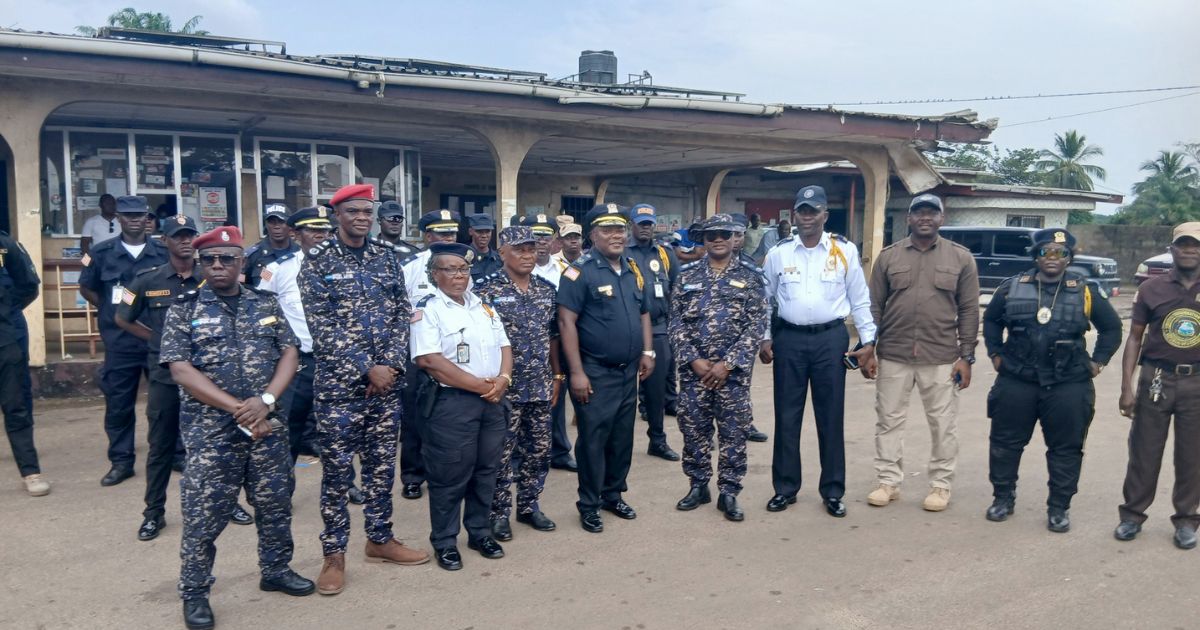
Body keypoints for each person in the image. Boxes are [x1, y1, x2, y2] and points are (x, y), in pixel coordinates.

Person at [160, 226, 314, 630]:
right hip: (212, 434)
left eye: (226, 258)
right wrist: (240, 409)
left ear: (241, 262)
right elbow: (180, 369)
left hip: (268, 427)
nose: (217, 265)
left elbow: (290, 352)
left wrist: (264, 402)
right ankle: (195, 592)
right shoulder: (184, 308)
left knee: (275, 504)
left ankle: (276, 570)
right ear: (199, 263)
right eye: (209, 259)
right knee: (203, 516)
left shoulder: (266, 303)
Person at [300, 184, 429, 596]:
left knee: (380, 468)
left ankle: (379, 539)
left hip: (385, 386)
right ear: (336, 215)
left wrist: (389, 368)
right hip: (340, 389)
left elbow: (399, 315)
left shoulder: (386, 258)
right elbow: (322, 328)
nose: (361, 217)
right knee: (337, 475)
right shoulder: (316, 263)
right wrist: (365, 368)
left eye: (366, 212)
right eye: (353, 211)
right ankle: (333, 555)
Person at [117, 216, 248, 540]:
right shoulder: (147, 279)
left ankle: (228, 502)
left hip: (211, 380)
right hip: (167, 378)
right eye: (178, 236)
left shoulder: (214, 275)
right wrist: (158, 341)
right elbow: (123, 317)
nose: (185, 241)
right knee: (161, 447)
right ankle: (153, 512)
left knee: (221, 445)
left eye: (190, 235)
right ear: (165, 240)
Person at [982, 227, 1121, 533]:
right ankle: (1003, 497)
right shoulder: (1011, 287)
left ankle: (1059, 507)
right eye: (1046, 252)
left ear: (1070, 258)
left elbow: (1111, 328)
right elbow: (991, 320)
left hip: (1068, 382)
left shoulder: (1084, 290)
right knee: (1005, 444)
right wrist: (995, 353)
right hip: (1018, 379)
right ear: (1036, 255)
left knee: (1066, 449)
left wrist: (1098, 362)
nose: (1053, 258)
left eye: (1061, 253)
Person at [759, 185, 876, 518]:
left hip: (830, 340)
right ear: (794, 214)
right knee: (787, 416)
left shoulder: (844, 251)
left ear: (825, 214)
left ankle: (833, 491)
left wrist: (868, 342)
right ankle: (784, 488)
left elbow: (860, 299)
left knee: (830, 416)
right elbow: (765, 300)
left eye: (814, 210)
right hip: (790, 340)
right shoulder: (780, 253)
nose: (807, 216)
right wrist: (765, 337)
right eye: (802, 210)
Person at [865, 194, 980, 512]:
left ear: (942, 218)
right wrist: (869, 348)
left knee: (943, 424)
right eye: (919, 213)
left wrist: (965, 356)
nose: (925, 218)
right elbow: (873, 306)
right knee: (888, 421)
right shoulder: (889, 257)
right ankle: (888, 482)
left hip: (941, 356)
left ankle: (940, 486)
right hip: (894, 353)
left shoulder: (961, 258)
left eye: (932, 212)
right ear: (909, 219)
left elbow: (970, 310)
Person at [411, 242, 513, 570]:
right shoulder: (428, 309)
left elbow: (504, 344)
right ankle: (444, 539)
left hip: (492, 400)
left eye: (463, 269)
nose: (458, 275)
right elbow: (430, 360)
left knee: (486, 470)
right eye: (450, 269)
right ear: (434, 274)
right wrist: (484, 386)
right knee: (450, 473)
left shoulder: (482, 305)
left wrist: (504, 379)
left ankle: (479, 530)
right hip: (453, 404)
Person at [557, 203, 654, 533]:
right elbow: (566, 322)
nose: (616, 235)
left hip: (629, 371)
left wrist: (648, 350)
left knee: (622, 439)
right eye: (607, 230)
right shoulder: (579, 271)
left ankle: (613, 494)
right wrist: (577, 373)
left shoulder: (632, 266)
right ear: (592, 236)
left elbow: (643, 312)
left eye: (620, 229)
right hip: (595, 372)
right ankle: (589, 503)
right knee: (593, 441)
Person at [669, 214, 768, 522]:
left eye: (724, 233)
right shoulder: (685, 275)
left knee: (733, 433)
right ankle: (698, 485)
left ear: (735, 237)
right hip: (693, 372)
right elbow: (674, 322)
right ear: (704, 239)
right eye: (711, 235)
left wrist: (727, 364)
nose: (718, 239)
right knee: (694, 430)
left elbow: (757, 325)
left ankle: (729, 491)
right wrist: (694, 360)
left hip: (733, 376)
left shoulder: (751, 276)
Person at [1114, 222, 1200, 550]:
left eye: (1196, 245)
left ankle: (1186, 521)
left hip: (1197, 380)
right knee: (1144, 451)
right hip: (1158, 378)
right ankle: (1132, 515)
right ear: (1173, 249)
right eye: (1184, 244)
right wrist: (1126, 386)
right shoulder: (1152, 289)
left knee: (1192, 455)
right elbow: (1135, 337)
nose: (1190, 250)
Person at [477, 225, 562, 541]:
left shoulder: (545, 290)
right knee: (500, 454)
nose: (528, 255)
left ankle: (529, 506)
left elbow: (553, 337)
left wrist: (557, 376)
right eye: (520, 249)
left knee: (538, 451)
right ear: (502, 253)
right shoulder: (485, 290)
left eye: (531, 249)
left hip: (539, 385)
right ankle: (498, 513)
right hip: (503, 389)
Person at [79, 195, 169, 487]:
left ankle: (173, 453)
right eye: (127, 215)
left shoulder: (162, 252)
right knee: (119, 404)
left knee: (164, 404)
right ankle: (121, 461)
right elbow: (88, 288)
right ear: (118, 218)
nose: (134, 220)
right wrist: (110, 312)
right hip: (119, 342)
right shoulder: (101, 252)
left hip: (157, 340)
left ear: (147, 219)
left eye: (139, 215)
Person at [398, 209, 463, 500]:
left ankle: (449, 473)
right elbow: (399, 310)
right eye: (441, 232)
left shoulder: (464, 265)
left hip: (456, 354)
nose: (448, 237)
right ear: (427, 236)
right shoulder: (411, 266)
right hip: (419, 354)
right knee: (415, 418)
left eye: (452, 232)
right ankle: (413, 475)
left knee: (453, 416)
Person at [257, 207, 330, 463]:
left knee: (337, 429)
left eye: (324, 229)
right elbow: (262, 309)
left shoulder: (344, 267)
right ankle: (282, 492)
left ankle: (345, 486)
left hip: (335, 360)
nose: (320, 235)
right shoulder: (277, 269)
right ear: (296, 234)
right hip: (299, 361)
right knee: (290, 427)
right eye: (312, 229)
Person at [626, 203, 680, 462]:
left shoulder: (665, 254)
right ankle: (618, 444)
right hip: (626, 329)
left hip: (659, 329)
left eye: (649, 223)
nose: (645, 228)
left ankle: (657, 439)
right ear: (631, 226)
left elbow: (677, 291)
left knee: (657, 390)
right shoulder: (622, 252)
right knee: (623, 391)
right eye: (640, 223)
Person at [1, 229, 49, 497]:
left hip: (4, 339)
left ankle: (30, 472)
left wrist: (4, 310)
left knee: (15, 406)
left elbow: (29, 285)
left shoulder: (4, 245)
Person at [728, 213, 769, 443]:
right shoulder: (706, 265)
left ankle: (745, 423)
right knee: (709, 388)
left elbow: (761, 307)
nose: (734, 239)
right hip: (711, 340)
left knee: (742, 384)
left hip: (743, 340)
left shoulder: (750, 267)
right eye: (730, 234)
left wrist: (758, 338)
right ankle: (712, 428)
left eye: (738, 234)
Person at [549, 219, 583, 472]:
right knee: (556, 398)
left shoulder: (588, 263)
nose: (573, 241)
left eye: (577, 237)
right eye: (568, 237)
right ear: (559, 241)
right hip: (555, 339)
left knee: (583, 397)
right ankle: (558, 449)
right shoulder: (554, 265)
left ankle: (580, 449)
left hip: (584, 339)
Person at [242, 204, 298, 287]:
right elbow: (241, 281)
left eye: (281, 222)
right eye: (272, 222)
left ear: (290, 226)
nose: (276, 227)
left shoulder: (300, 253)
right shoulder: (253, 255)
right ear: (266, 225)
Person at [524, 213, 563, 287]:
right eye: (537, 237)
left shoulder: (563, 268)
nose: (542, 242)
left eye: (547, 238)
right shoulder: (519, 268)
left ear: (552, 241)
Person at [468, 213, 502, 281]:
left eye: (487, 231)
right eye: (479, 232)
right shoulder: (463, 258)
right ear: (470, 231)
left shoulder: (499, 259)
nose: (484, 235)